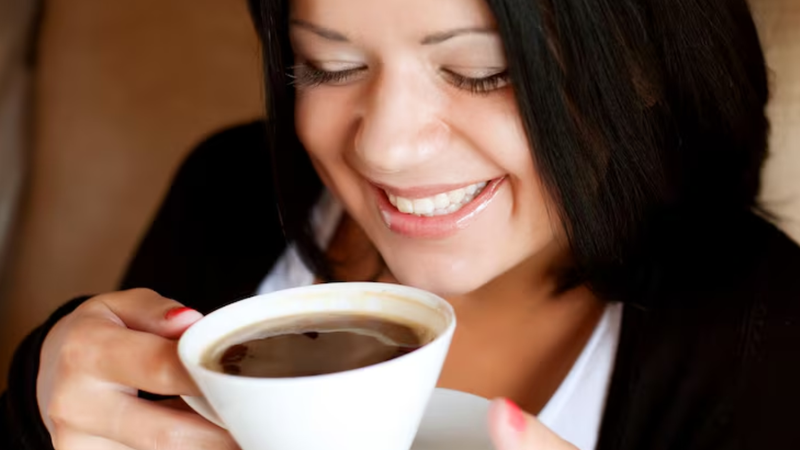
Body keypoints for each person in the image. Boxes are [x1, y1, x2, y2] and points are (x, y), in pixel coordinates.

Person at [3, 0, 799, 448]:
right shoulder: (228, 193)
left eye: (482, 72)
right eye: (330, 65)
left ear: (642, 69)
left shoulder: (770, 342)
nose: (383, 144)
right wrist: (47, 398)